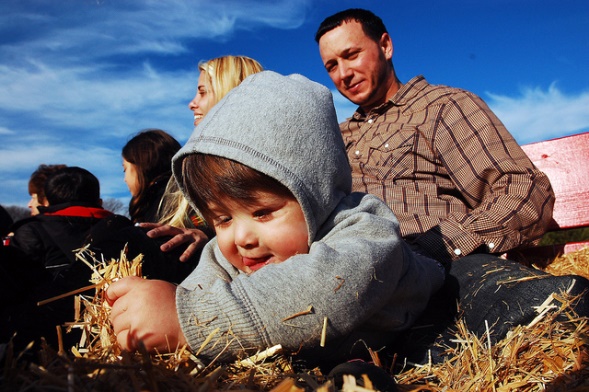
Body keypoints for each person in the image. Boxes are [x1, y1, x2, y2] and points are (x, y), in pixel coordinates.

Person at [106, 71, 445, 372]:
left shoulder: (364, 229)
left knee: (477, 291)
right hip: (334, 356)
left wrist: (188, 321)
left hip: (408, 319)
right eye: (222, 218)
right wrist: (151, 320)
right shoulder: (224, 254)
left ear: (316, 192)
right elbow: (199, 292)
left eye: (262, 212)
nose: (241, 237)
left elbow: (327, 290)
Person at [315, 8, 589, 363]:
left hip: (440, 266)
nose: (343, 73)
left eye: (351, 55)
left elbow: (522, 187)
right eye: (332, 66)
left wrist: (442, 245)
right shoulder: (335, 139)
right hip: (358, 284)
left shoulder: (441, 107)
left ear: (385, 45)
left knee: (545, 309)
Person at [3, 166, 195, 351]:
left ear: (47, 202)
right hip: (124, 333)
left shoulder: (30, 230)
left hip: (51, 346)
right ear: (99, 201)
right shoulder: (128, 232)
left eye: (125, 168)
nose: (29, 204)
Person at [141, 55, 264, 262]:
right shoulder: (190, 167)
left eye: (203, 92)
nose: (192, 104)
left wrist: (208, 240)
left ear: (229, 93)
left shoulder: (258, 164)